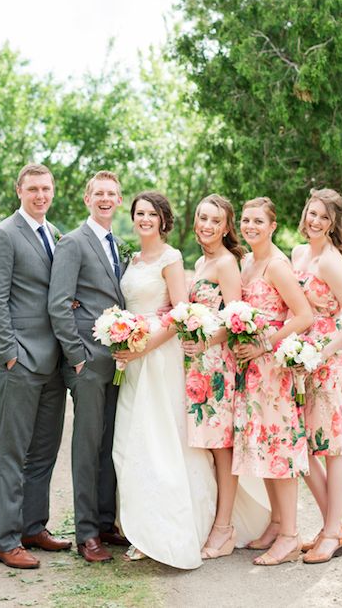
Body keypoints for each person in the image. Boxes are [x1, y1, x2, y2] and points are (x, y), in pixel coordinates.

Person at [112, 191, 217, 568]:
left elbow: (180, 313)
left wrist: (142, 347)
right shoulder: (133, 259)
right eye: (139, 213)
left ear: (163, 220)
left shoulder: (172, 258)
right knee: (127, 442)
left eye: (151, 214)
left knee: (157, 442)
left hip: (157, 357)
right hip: (134, 358)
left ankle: (164, 530)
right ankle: (137, 524)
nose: (144, 219)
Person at [0, 163, 70, 571]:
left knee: (44, 451)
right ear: (19, 190)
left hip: (54, 361)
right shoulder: (3, 235)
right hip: (20, 362)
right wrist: (10, 352)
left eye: (46, 188)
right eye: (32, 188)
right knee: (11, 453)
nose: (40, 195)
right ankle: (6, 539)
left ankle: (34, 526)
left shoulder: (55, 235)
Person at [182, 194, 269, 559]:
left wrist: (204, 342)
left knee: (221, 449)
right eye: (203, 218)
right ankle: (212, 521)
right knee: (208, 446)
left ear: (226, 227)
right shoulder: (201, 260)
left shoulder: (226, 263)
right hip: (196, 366)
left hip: (217, 364)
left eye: (215, 221)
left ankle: (224, 529)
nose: (207, 225)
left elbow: (235, 319)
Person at [48, 171, 129, 563]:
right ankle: (85, 534)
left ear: (119, 199)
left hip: (118, 360)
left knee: (110, 442)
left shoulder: (118, 246)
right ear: (86, 198)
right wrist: (76, 357)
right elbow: (59, 303)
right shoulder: (73, 243)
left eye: (111, 193)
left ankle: (104, 521)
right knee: (87, 443)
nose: (105, 198)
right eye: (98, 193)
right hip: (88, 362)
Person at [232, 196, 313, 566]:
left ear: (272, 226)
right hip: (252, 372)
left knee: (279, 449)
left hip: (273, 371)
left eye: (258, 221)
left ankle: (291, 535)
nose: (250, 226)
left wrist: (264, 345)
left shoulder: (277, 265)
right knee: (262, 446)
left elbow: (303, 315)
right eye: (246, 220)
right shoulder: (249, 262)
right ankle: (277, 522)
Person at [291, 188, 342, 564]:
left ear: (333, 223)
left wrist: (321, 353)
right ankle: (331, 526)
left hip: (330, 361)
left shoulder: (331, 262)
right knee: (302, 445)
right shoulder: (298, 254)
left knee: (332, 446)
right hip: (301, 361)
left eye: (323, 216)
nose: (314, 221)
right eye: (311, 213)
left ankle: (332, 532)